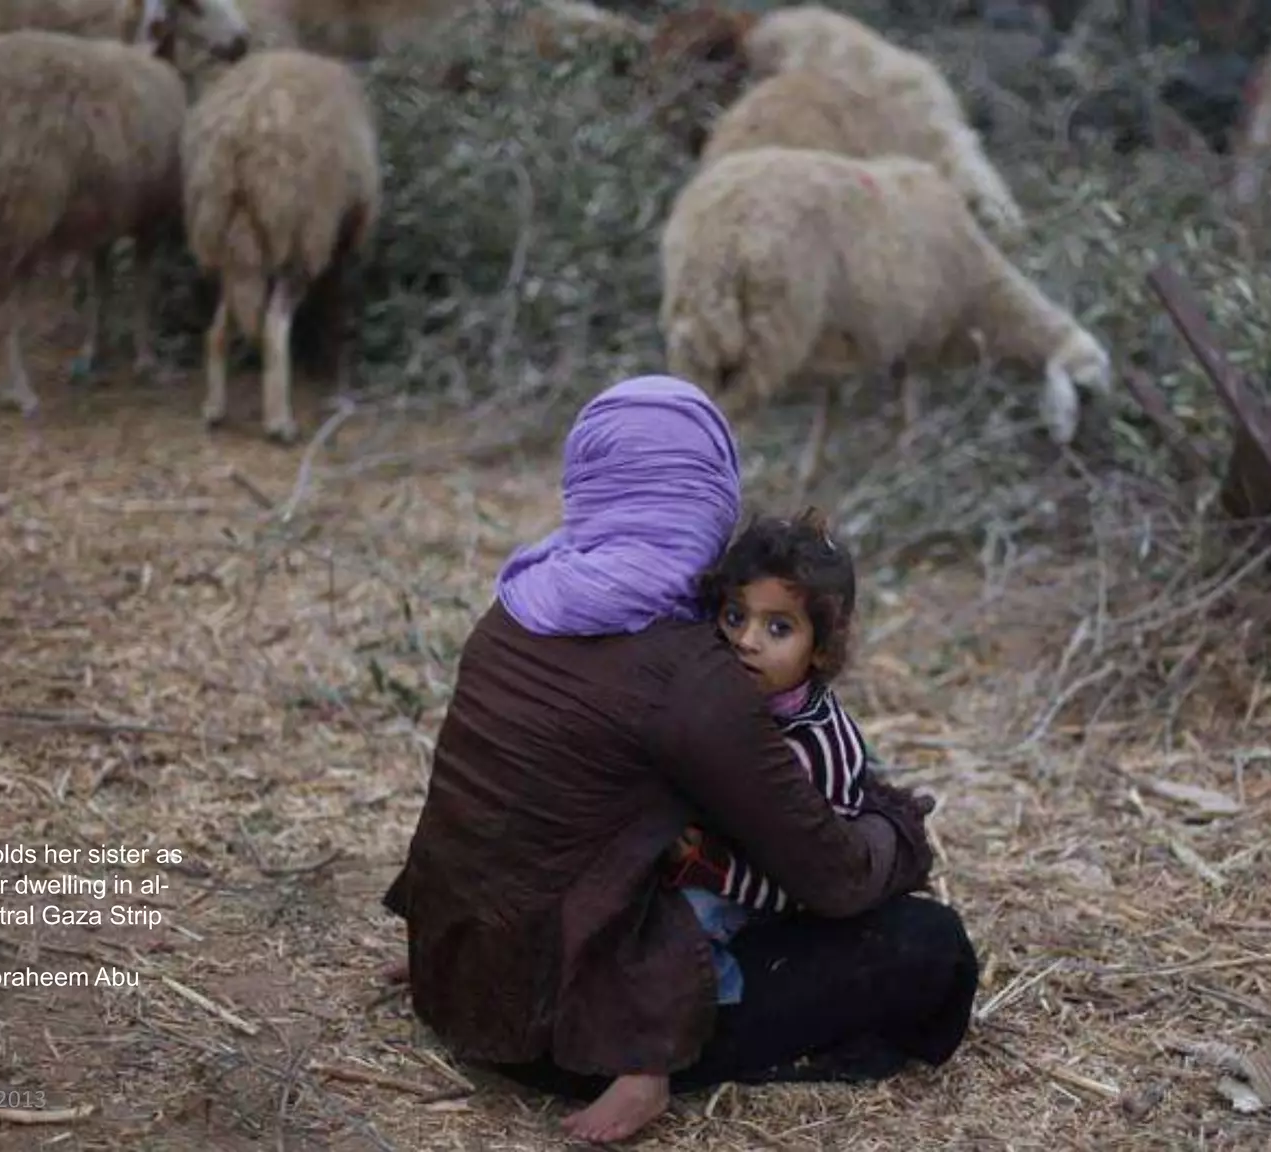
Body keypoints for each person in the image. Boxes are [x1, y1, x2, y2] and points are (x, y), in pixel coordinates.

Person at [381, 376, 980, 1144]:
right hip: (571, 1036)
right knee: (927, 945)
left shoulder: (517, 605)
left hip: (460, 981)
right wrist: (896, 827)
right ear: (709, 499)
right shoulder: (694, 677)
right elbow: (834, 878)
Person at [664, 508, 880, 1007]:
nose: (745, 640)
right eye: (735, 616)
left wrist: (713, 870)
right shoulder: (722, 697)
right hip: (707, 857)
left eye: (778, 628)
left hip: (773, 896)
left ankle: (722, 1010)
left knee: (686, 929)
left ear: (822, 649)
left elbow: (819, 877)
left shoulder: (818, 750)